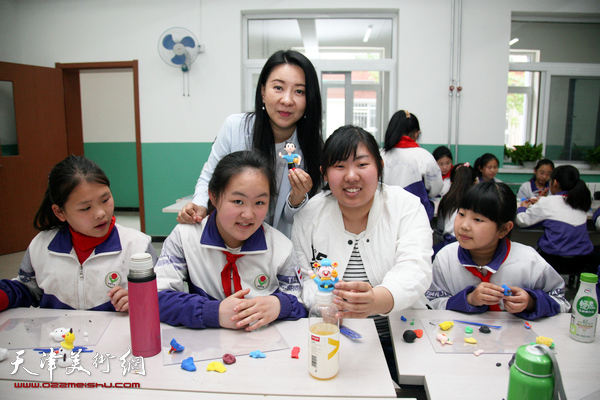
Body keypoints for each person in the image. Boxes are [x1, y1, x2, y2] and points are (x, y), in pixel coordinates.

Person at [292, 125, 432, 382]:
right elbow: (306, 277)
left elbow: (416, 268)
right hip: (334, 337)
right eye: (339, 166)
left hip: (401, 336)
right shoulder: (309, 215)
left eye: (362, 164)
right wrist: (324, 307)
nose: (351, 176)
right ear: (324, 173)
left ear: (379, 166)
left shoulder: (406, 207)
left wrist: (378, 299)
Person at [177, 50, 323, 238]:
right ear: (263, 91)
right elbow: (209, 177)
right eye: (278, 88)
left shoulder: (312, 147)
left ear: (309, 99)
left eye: (299, 91)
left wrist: (297, 198)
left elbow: (296, 218)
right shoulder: (235, 127)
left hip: (282, 247)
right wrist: (199, 206)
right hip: (232, 239)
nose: (287, 100)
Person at [156, 151, 306, 331]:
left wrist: (280, 305)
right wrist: (212, 311)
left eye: (259, 203)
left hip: (264, 346)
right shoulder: (184, 238)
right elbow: (156, 297)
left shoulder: (281, 248)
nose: (248, 214)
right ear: (213, 197)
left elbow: (301, 303)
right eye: (238, 201)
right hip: (203, 347)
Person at [0, 156, 157, 313]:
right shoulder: (41, 246)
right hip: (59, 335)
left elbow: (160, 294)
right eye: (85, 208)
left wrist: (138, 299)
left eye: (105, 199)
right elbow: (27, 289)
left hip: (116, 335)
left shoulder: (137, 246)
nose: (101, 213)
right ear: (60, 212)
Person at [426, 182, 570, 320]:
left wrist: (531, 301)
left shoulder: (529, 260)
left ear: (504, 229)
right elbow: (430, 303)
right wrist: (469, 299)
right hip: (457, 339)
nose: (464, 225)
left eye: (477, 219)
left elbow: (561, 301)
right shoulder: (446, 258)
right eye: (461, 214)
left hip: (516, 341)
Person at [516, 165, 594, 277]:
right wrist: (542, 201)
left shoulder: (548, 203)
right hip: (580, 260)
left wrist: (522, 207)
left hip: (553, 260)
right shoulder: (580, 202)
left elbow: (522, 221)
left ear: (555, 182)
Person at [381, 110, 443, 220]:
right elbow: (435, 189)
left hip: (383, 215)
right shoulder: (425, 157)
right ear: (416, 134)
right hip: (415, 216)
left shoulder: (379, 155)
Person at [433, 163, 477, 257]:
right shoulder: (477, 201)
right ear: (475, 182)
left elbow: (440, 231)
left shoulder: (446, 200)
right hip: (471, 245)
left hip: (448, 243)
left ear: (451, 181)